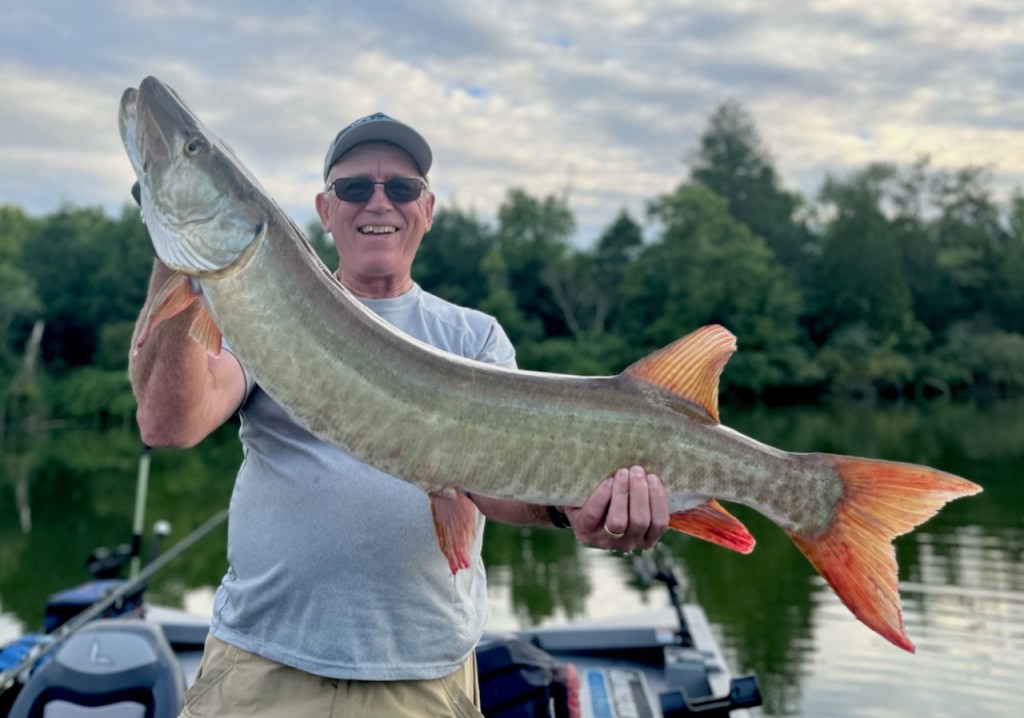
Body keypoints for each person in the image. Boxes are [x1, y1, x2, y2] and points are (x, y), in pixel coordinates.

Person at [130, 112, 669, 718]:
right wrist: (176, 251)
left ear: (427, 209)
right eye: (355, 188)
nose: (378, 202)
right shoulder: (258, 311)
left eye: (402, 188)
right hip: (262, 670)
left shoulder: (474, 337)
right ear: (326, 211)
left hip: (423, 680)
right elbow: (168, 424)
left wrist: (572, 510)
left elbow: (497, 489)